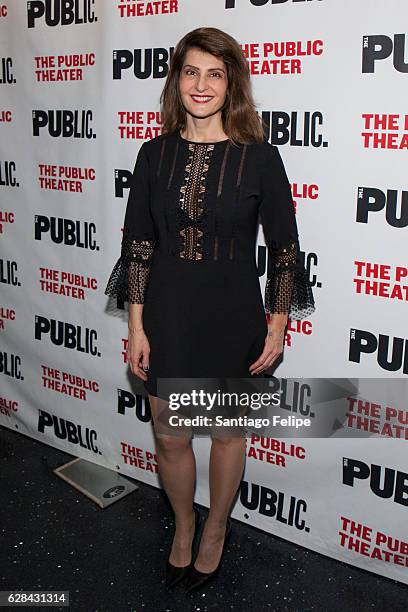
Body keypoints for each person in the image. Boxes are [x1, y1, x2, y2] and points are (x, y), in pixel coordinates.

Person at [104, 27, 315, 593]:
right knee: (171, 435)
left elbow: (285, 247)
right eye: (191, 72)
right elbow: (139, 245)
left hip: (234, 315)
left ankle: (217, 529)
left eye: (215, 74)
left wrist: (277, 324)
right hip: (168, 313)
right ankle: (184, 523)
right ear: (177, 80)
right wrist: (137, 325)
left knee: (226, 434)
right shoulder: (154, 154)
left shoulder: (259, 157)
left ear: (231, 84)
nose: (202, 85)